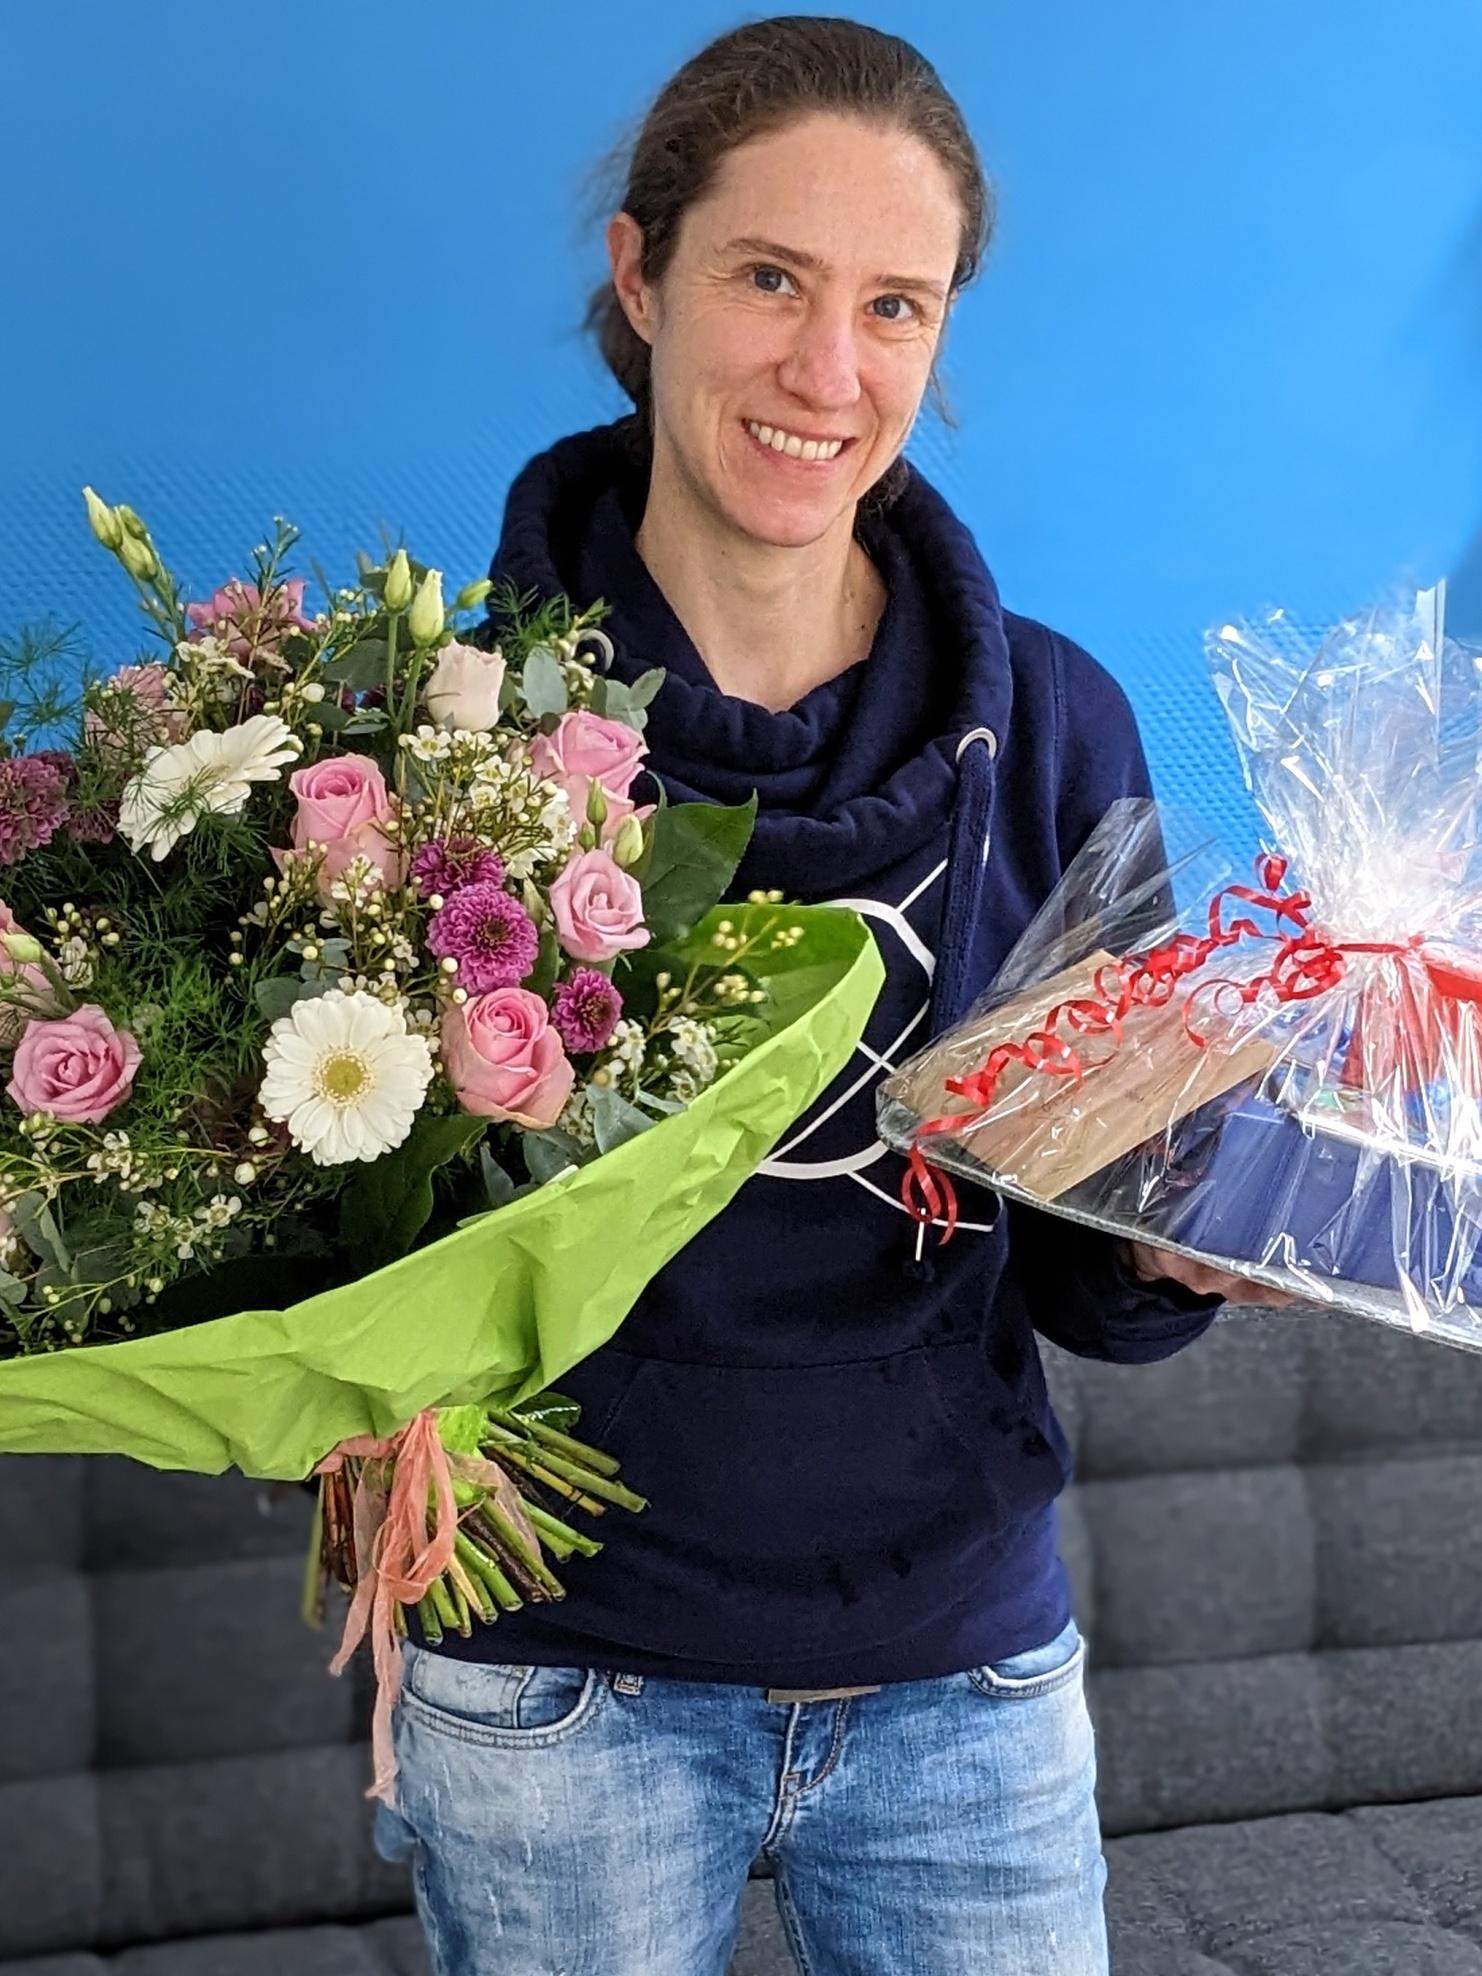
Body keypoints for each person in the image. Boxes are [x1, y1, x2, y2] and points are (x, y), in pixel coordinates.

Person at [374, 17, 1273, 1974]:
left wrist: (1188, 1245)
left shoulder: (1054, 725)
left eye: (895, 305)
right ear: (642, 274)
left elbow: (1085, 1279)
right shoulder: (429, 739)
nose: (826, 371)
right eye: (769, 279)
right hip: (554, 1690)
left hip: (960, 1680)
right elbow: (340, 1217)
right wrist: (346, 1405)